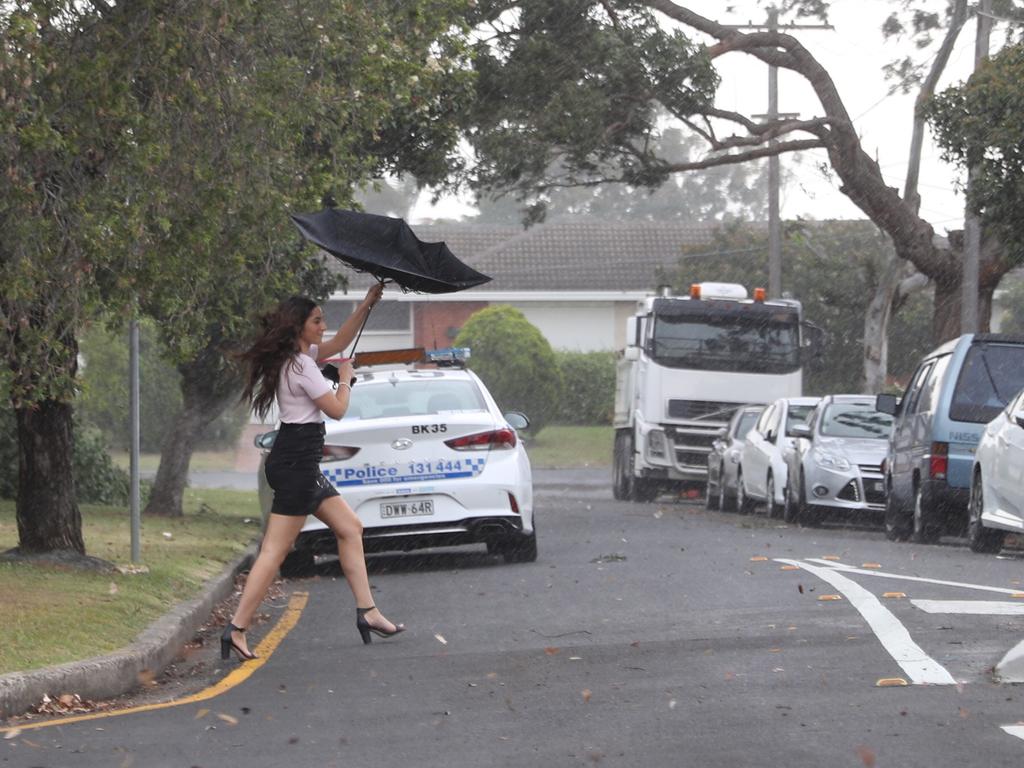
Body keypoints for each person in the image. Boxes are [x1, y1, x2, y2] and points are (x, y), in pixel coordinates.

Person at [223, 282, 403, 661]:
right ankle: (236, 628)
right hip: (296, 465)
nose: (324, 326)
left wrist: (367, 303)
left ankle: (367, 612)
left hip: (297, 461)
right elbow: (336, 409)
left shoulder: (298, 357)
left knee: (350, 528)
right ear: (298, 326)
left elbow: (340, 342)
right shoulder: (302, 365)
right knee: (275, 550)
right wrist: (345, 380)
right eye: (317, 321)